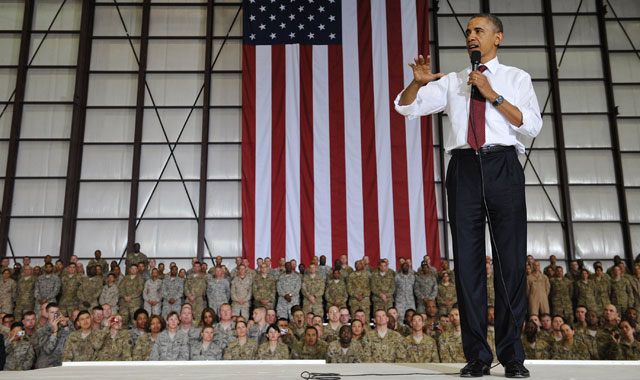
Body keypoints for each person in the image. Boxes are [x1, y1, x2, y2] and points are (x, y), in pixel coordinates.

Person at [395, 12, 541, 378]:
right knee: (468, 266)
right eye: (468, 32)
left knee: (510, 263)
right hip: (463, 170)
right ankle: (477, 355)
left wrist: (492, 95)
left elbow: (532, 125)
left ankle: (511, 356)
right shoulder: (453, 82)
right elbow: (406, 107)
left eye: (479, 31)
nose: (471, 36)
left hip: (502, 166)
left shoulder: (515, 78)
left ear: (498, 38)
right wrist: (416, 84)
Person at [34, 302, 73, 368]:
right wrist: (55, 332)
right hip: (48, 364)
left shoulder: (68, 324)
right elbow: (48, 349)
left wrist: (65, 326)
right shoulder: (41, 331)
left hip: (64, 363)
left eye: (57, 312)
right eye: (52, 312)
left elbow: (73, 342)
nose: (55, 314)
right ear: (47, 314)